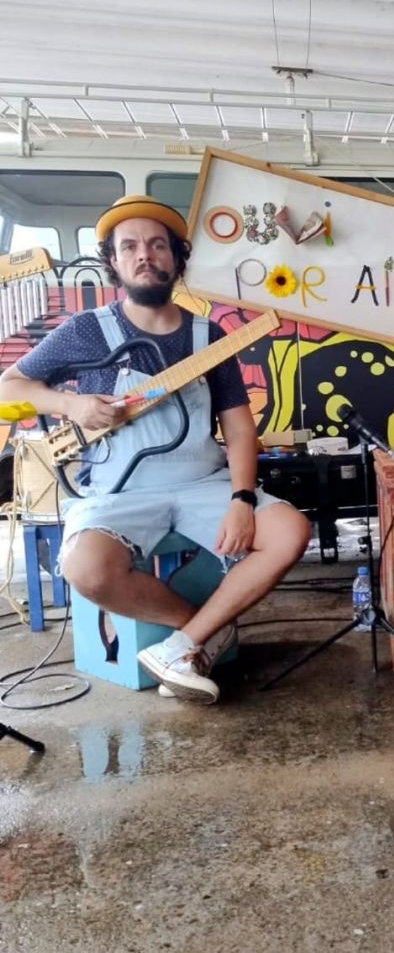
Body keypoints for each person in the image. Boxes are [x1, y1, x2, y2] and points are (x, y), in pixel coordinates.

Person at [0, 195, 311, 705]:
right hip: (119, 490)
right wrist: (71, 404)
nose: (144, 254)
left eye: (157, 245)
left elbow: (238, 430)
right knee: (85, 570)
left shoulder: (209, 336)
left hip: (202, 481)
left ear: (176, 258)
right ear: (114, 261)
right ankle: (199, 635)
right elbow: (9, 386)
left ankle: (182, 647)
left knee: (290, 531)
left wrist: (241, 498)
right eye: (129, 247)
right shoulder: (86, 331)